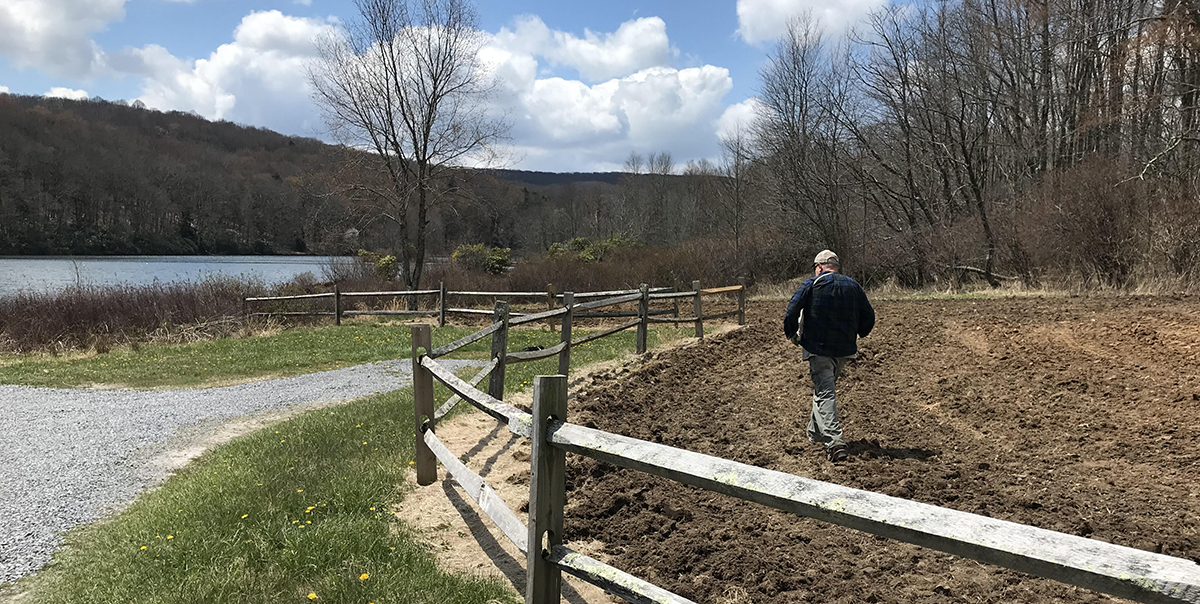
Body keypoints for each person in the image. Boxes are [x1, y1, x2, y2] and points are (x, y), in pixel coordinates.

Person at [783, 250, 875, 463]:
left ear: (819, 266)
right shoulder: (853, 286)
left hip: (818, 348)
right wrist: (859, 333)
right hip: (844, 349)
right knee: (825, 389)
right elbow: (869, 316)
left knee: (825, 393)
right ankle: (814, 433)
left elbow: (792, 310)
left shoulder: (811, 284)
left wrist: (792, 334)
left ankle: (835, 443)